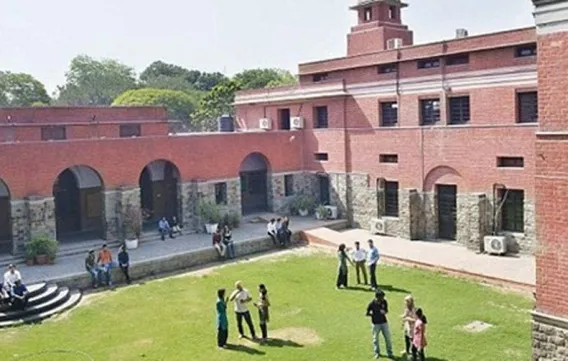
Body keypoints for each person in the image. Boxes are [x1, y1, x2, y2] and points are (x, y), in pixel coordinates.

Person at [366, 290, 394, 359]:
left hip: (384, 322)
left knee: (388, 338)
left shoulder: (384, 302)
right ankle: (377, 353)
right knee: (375, 339)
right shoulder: (372, 304)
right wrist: (372, 315)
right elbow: (367, 313)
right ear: (377, 297)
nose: (383, 298)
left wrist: (384, 312)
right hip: (375, 324)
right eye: (382, 297)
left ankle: (390, 353)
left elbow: (386, 310)